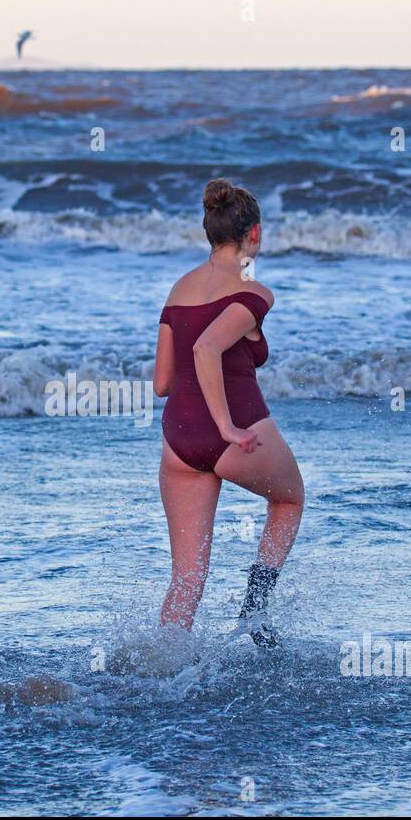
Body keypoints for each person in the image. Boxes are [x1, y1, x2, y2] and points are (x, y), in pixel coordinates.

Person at [153, 179, 304, 646]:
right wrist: (227, 427)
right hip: (236, 433)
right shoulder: (254, 293)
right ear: (253, 235)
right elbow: (206, 347)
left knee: (187, 578)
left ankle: (159, 669)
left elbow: (161, 383)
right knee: (289, 501)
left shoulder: (179, 289)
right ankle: (255, 614)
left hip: (178, 439)